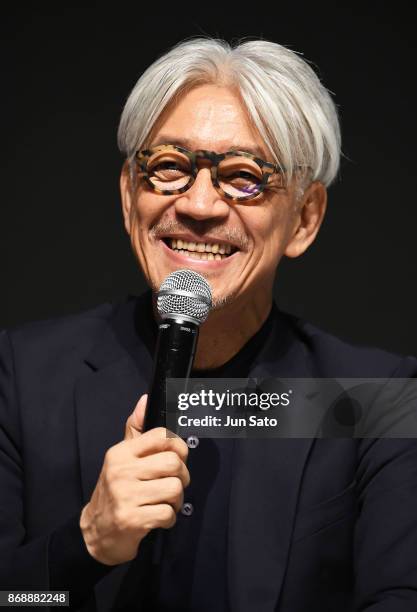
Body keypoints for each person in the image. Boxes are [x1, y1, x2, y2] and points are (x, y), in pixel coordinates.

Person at [1, 37, 417, 612]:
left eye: (245, 176)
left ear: (304, 217)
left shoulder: (375, 401)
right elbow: (16, 599)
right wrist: (87, 543)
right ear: (129, 197)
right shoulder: (22, 377)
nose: (199, 205)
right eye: (169, 168)